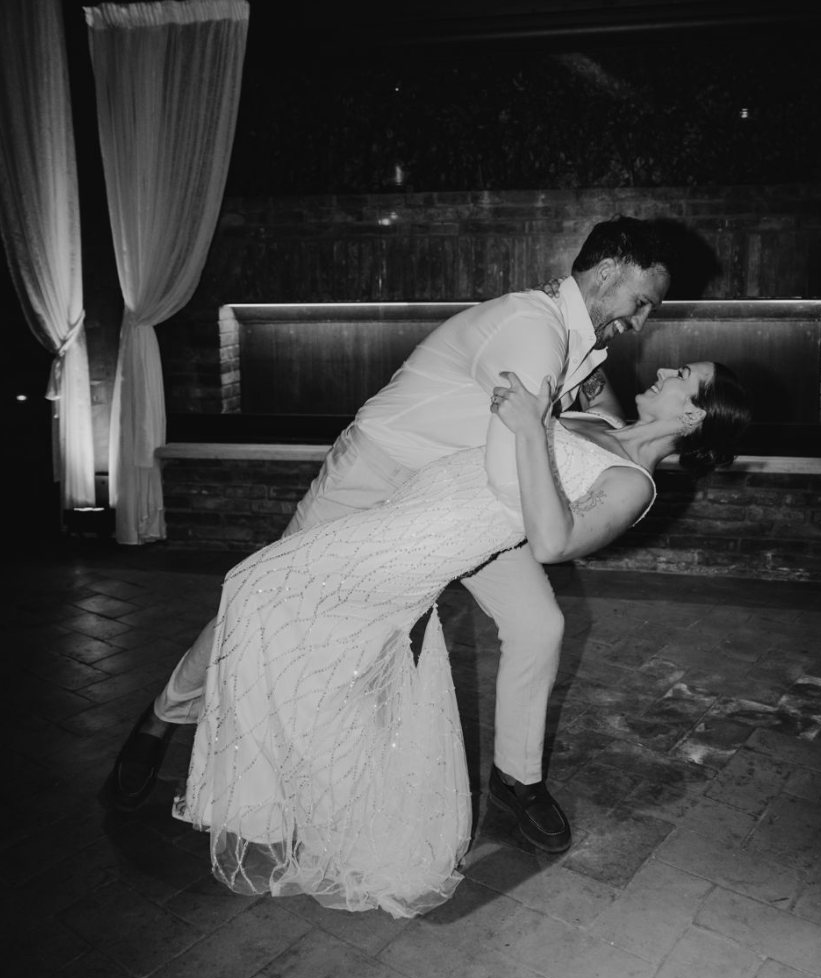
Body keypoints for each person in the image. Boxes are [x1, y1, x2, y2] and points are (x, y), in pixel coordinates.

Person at [102, 216, 676, 854]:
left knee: (539, 625)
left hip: (466, 501)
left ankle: (517, 780)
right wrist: (560, 520)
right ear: (607, 272)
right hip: (384, 471)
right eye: (642, 301)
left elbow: (606, 424)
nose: (642, 321)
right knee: (267, 596)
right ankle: (161, 719)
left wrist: (640, 443)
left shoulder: (584, 343)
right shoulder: (532, 329)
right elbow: (515, 463)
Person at [174, 361, 752, 918]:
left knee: (257, 587)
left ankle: (276, 801)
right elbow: (599, 418)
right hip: (400, 512)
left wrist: (531, 427)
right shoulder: (607, 424)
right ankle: (306, 798)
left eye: (683, 378)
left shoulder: (631, 484)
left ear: (694, 419)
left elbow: (553, 542)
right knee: (295, 627)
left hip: (417, 547)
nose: (667, 371)